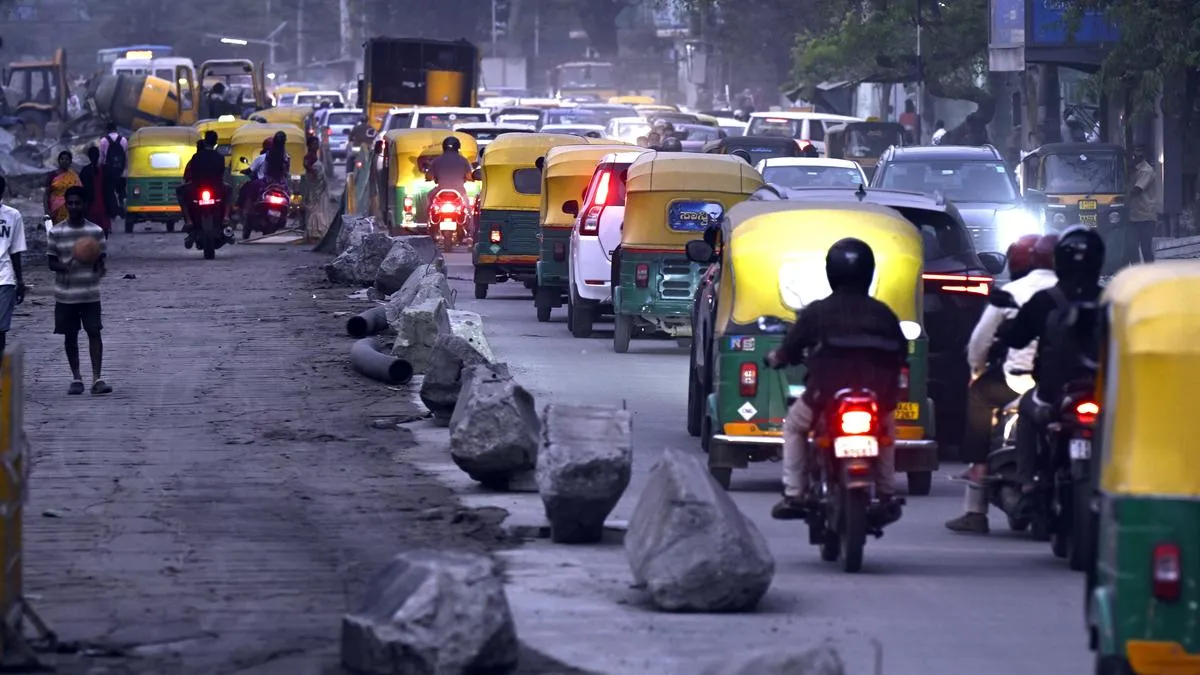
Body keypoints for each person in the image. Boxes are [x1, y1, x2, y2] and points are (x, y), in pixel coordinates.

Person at [765, 238, 908, 521]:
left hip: (825, 396)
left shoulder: (817, 312)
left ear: (831, 272)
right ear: (869, 272)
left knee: (793, 427)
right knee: (887, 434)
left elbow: (789, 349)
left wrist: (776, 358)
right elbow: (901, 354)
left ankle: (794, 492)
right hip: (877, 397)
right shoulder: (884, 314)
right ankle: (886, 492)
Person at [945, 233, 1058, 534]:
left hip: (1015, 383)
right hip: (1060, 387)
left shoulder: (1014, 291)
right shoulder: (1076, 295)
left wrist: (977, 369)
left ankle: (976, 500)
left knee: (979, 395)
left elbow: (979, 343)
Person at [999, 225, 1104, 497]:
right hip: (1102, 393)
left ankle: (1027, 480)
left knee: (1025, 408)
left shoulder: (1044, 300)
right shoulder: (1111, 300)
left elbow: (1018, 338)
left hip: (1051, 395)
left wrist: (1006, 330)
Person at [47, 186, 110, 396]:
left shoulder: (96, 232)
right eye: (70, 203)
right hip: (66, 296)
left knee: (94, 332)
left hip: (90, 293)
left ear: (85, 205)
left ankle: (97, 378)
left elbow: (101, 263)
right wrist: (64, 266)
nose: (73, 207)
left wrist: (98, 268)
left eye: (77, 203)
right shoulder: (56, 232)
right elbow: (51, 263)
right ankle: (76, 377)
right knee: (70, 336)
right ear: (66, 204)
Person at [0, 176, 27, 356]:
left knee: (0, 330)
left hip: (4, 278)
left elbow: (15, 251)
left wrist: (20, 281)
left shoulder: (12, 215)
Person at [1126, 145, 1158, 265]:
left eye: (1139, 151)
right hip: (1133, 215)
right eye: (1135, 150)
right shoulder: (1133, 168)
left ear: (1144, 153)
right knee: (1131, 248)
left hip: (1146, 215)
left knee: (1145, 248)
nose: (1136, 154)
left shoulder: (1146, 170)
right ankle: (1137, 274)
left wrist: (1122, 199)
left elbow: (1137, 190)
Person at [425, 136, 473, 200]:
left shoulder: (437, 160)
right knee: (468, 207)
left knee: (429, 197)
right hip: (460, 192)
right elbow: (469, 176)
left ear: (444, 147)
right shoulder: (463, 160)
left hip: (440, 191)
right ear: (458, 147)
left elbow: (429, 176)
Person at [77, 146, 112, 236]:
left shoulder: (85, 171)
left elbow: (81, 188)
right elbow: (110, 189)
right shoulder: (106, 169)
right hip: (102, 204)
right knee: (102, 229)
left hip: (91, 205)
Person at [44, 150, 81, 224]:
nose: (64, 161)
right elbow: (46, 194)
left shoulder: (74, 175)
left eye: (67, 159)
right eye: (62, 159)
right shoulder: (52, 175)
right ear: (58, 161)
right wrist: (47, 210)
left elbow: (79, 193)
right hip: (55, 209)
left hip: (72, 208)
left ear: (70, 162)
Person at [97, 123, 127, 214]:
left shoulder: (103, 141)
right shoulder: (124, 140)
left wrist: (99, 169)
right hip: (121, 170)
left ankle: (112, 210)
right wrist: (125, 169)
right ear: (116, 129)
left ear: (107, 130)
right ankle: (123, 208)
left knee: (110, 191)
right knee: (122, 190)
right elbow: (126, 156)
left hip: (108, 170)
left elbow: (101, 158)